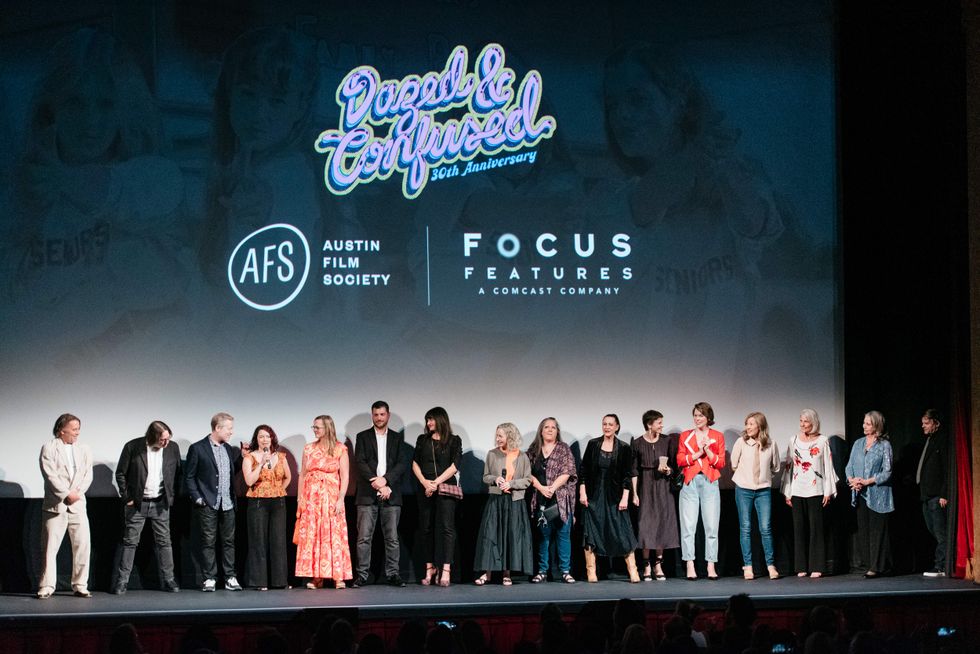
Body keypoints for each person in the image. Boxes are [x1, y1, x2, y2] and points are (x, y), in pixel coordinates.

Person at [112, 420, 181, 594]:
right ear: (152, 437)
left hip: (160, 503)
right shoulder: (133, 447)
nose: (166, 443)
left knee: (165, 542)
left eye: (168, 438)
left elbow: (177, 472)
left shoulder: (172, 448)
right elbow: (120, 473)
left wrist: (171, 496)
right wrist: (127, 497)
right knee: (130, 542)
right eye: (162, 440)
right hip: (137, 503)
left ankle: (169, 580)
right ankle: (122, 582)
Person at [353, 400, 408, 588]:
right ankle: (362, 575)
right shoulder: (362, 437)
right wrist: (378, 483)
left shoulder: (397, 438)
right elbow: (360, 463)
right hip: (367, 494)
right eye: (376, 415)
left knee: (392, 538)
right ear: (372, 416)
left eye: (382, 414)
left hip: (391, 493)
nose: (379, 418)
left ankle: (393, 574)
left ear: (388, 415)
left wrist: (386, 481)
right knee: (363, 538)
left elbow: (402, 463)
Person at [185, 412, 242, 591]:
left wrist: (241, 458)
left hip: (228, 503)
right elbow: (189, 476)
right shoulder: (198, 448)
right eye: (229, 428)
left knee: (229, 542)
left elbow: (230, 472)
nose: (231, 432)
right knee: (208, 541)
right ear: (218, 428)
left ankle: (230, 577)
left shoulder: (228, 449)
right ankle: (209, 578)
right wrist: (198, 498)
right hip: (208, 502)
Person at [37, 413, 92, 598]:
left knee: (82, 545)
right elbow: (50, 475)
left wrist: (76, 494)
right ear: (62, 430)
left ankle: (80, 584)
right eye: (74, 429)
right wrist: (66, 494)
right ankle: (47, 586)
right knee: (49, 548)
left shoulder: (83, 449)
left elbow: (87, 475)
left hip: (77, 504)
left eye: (79, 429)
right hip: (56, 506)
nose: (77, 432)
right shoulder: (49, 448)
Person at [580, 414, 640, 583]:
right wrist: (582, 492)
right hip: (594, 494)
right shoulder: (593, 445)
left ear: (616, 426)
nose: (607, 427)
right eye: (604, 424)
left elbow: (627, 475)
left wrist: (625, 497)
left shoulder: (624, 447)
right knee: (592, 530)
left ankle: (633, 570)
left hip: (615, 495)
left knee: (623, 530)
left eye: (610, 424)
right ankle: (591, 571)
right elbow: (583, 470)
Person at [473, 422, 534, 586]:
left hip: (514, 502)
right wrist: (496, 479)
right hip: (496, 500)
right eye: (497, 435)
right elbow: (486, 477)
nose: (497, 438)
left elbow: (528, 480)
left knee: (510, 536)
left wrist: (512, 484)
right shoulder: (492, 454)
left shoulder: (522, 456)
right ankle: (488, 573)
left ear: (510, 436)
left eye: (500, 435)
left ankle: (507, 573)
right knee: (491, 535)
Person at [295, 414, 352, 589]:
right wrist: (300, 499)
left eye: (317, 427)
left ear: (327, 428)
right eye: (314, 427)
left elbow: (345, 475)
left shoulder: (340, 449)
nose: (315, 430)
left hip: (331, 496)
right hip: (312, 498)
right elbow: (303, 475)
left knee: (333, 535)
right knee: (314, 535)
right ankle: (317, 577)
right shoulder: (308, 448)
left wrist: (341, 499)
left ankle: (338, 576)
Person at [782, 408, 837, 578]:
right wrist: (787, 492)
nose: (802, 424)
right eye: (801, 421)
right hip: (798, 489)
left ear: (813, 423)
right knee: (799, 529)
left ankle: (817, 566)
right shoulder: (794, 440)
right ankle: (801, 567)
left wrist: (828, 491)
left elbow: (828, 466)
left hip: (816, 490)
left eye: (806, 421)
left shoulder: (822, 441)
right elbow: (789, 467)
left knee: (816, 529)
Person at [411, 406, 462, 586]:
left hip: (446, 487)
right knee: (426, 529)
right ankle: (430, 568)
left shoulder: (454, 440)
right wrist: (426, 483)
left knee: (447, 528)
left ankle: (446, 569)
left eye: (431, 419)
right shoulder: (422, 440)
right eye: (427, 420)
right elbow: (415, 463)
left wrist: (436, 483)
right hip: (425, 489)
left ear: (441, 420)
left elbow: (455, 465)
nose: (429, 423)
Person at [676, 401, 726, 580]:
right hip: (690, 482)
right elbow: (680, 459)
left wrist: (707, 450)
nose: (697, 418)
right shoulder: (686, 436)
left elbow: (720, 463)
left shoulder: (717, 436)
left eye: (701, 415)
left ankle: (711, 565)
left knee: (711, 526)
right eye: (695, 415)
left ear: (708, 417)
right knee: (688, 526)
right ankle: (690, 564)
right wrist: (697, 453)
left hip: (710, 481)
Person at [730, 412, 781, 580]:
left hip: (763, 491)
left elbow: (775, 467)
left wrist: (763, 479)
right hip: (743, 489)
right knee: (745, 527)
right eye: (747, 424)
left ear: (760, 426)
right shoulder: (741, 442)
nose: (748, 427)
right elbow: (733, 464)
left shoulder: (771, 444)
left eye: (751, 424)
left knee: (765, 528)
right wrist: (745, 477)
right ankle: (748, 566)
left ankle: (771, 565)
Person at [630, 409, 678, 581]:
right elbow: (633, 471)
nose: (662, 425)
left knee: (662, 524)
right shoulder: (637, 443)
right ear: (650, 424)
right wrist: (634, 493)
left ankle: (658, 563)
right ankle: (646, 564)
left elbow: (674, 465)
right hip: (645, 485)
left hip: (663, 486)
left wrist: (668, 470)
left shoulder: (667, 441)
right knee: (646, 525)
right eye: (659, 422)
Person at [528, 417, 577, 584]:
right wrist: (542, 488)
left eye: (553, 427)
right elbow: (527, 473)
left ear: (557, 431)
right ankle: (542, 571)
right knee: (544, 536)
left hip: (561, 499)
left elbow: (568, 471)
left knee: (564, 535)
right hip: (541, 498)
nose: (550, 430)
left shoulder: (563, 449)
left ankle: (565, 571)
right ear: (541, 431)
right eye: (546, 427)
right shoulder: (533, 450)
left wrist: (552, 488)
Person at [845, 410, 894, 578]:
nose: (864, 426)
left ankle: (877, 567)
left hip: (878, 495)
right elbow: (849, 466)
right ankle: (868, 564)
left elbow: (887, 472)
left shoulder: (884, 445)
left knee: (877, 532)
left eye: (868, 423)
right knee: (864, 532)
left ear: (877, 426)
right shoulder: (858, 443)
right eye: (864, 423)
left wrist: (867, 481)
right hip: (860, 494)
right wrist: (852, 480)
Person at [242, 424, 290, 590]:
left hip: (278, 501)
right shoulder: (249, 458)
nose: (264, 439)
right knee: (258, 541)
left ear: (272, 439)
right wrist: (261, 463)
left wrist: (279, 489)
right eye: (261, 436)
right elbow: (249, 481)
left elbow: (288, 477)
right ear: (256, 439)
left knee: (278, 541)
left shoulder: (281, 456)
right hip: (258, 501)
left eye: (267, 436)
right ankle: (259, 581)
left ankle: (280, 581)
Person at [917, 408, 949, 577]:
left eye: (927, 423)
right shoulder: (929, 440)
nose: (923, 426)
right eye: (922, 423)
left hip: (937, 496)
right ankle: (941, 563)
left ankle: (941, 566)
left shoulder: (942, 441)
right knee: (932, 530)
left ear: (936, 423)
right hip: (926, 495)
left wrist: (944, 494)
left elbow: (947, 469)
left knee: (940, 532)